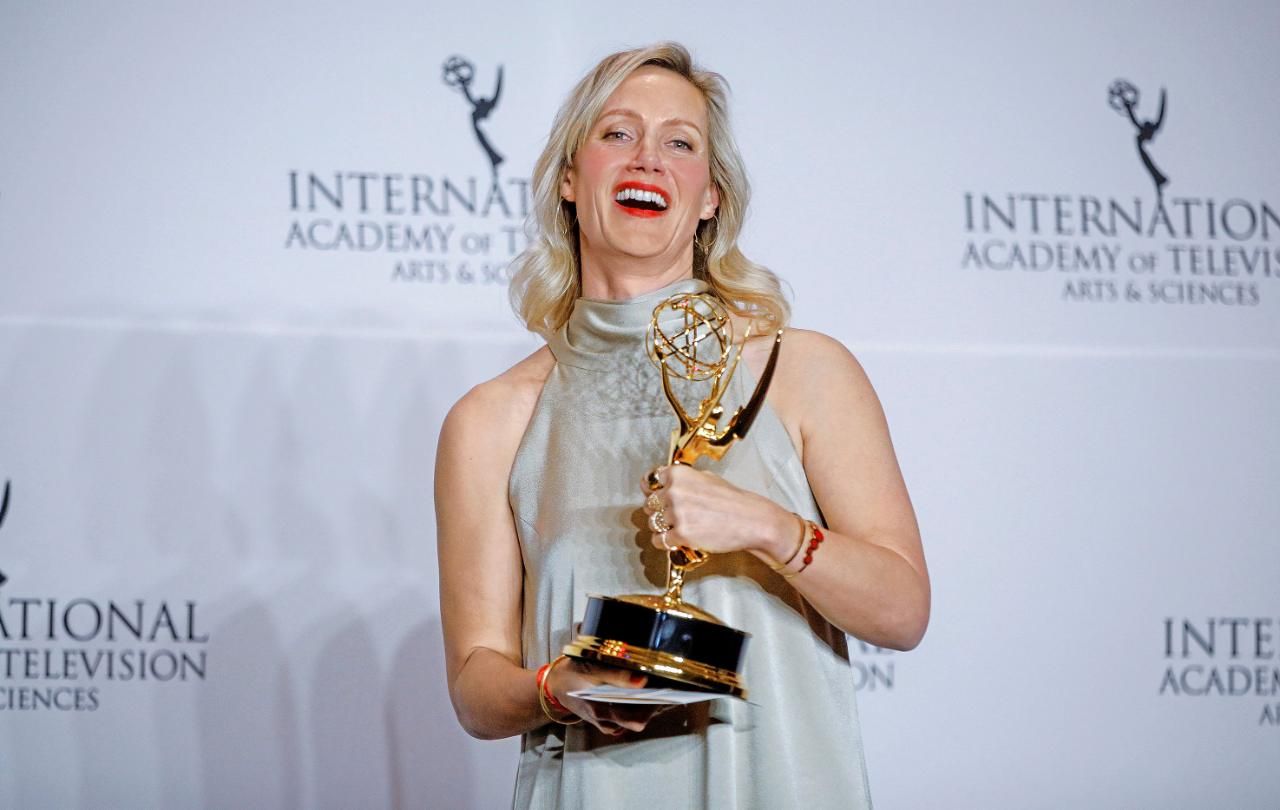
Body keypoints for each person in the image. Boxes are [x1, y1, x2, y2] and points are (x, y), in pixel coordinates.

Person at [435, 42, 929, 809]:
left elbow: (902, 611)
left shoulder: (802, 370)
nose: (648, 158)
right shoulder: (491, 420)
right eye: (617, 133)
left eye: (680, 143)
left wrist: (769, 528)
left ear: (710, 198)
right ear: (569, 177)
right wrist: (554, 688)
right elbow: (475, 687)